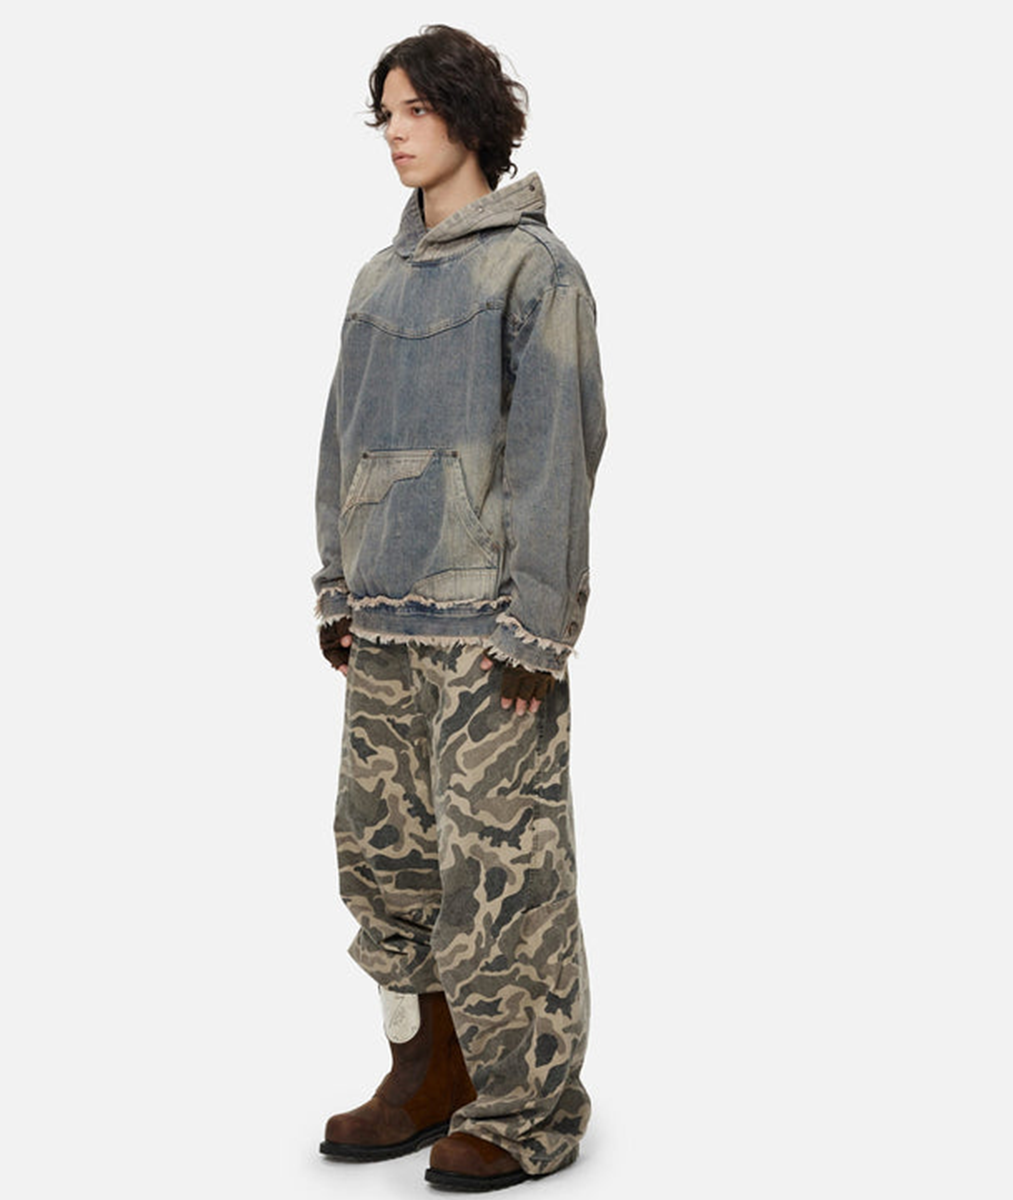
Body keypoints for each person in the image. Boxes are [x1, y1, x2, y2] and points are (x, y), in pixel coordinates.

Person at [312, 25, 606, 1191]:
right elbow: (340, 443)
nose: (395, 133)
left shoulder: (537, 271)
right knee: (386, 863)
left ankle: (531, 1109)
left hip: (492, 639)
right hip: (386, 628)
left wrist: (539, 622)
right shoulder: (376, 283)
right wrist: (336, 585)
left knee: (505, 879)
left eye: (416, 110)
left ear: (470, 116)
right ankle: (428, 1073)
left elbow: (557, 452)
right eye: (384, 113)